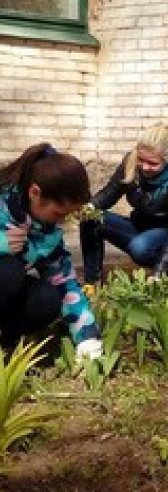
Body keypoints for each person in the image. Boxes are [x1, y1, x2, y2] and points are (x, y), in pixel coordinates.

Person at [0, 143, 102, 359]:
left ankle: (5, 345)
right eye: (59, 213)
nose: (62, 221)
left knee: (48, 298)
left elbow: (65, 283)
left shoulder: (47, 232)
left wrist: (87, 339)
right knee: (10, 272)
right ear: (35, 193)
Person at [79, 123, 168, 291]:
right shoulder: (131, 162)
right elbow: (109, 193)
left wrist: (159, 272)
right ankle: (92, 284)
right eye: (141, 159)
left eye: (152, 163)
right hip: (143, 226)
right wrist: (88, 207)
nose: (144, 167)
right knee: (91, 217)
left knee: (140, 247)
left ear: (167, 159)